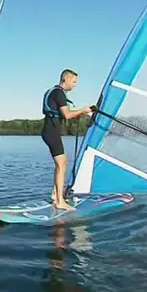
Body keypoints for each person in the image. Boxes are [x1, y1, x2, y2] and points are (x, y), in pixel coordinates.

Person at [41, 69, 93, 211]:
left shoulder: (55, 91)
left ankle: (54, 194)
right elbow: (67, 115)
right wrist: (83, 110)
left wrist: (80, 113)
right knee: (61, 165)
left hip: (51, 132)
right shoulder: (59, 93)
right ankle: (59, 201)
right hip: (51, 132)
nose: (75, 84)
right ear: (66, 80)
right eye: (74, 81)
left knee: (62, 162)